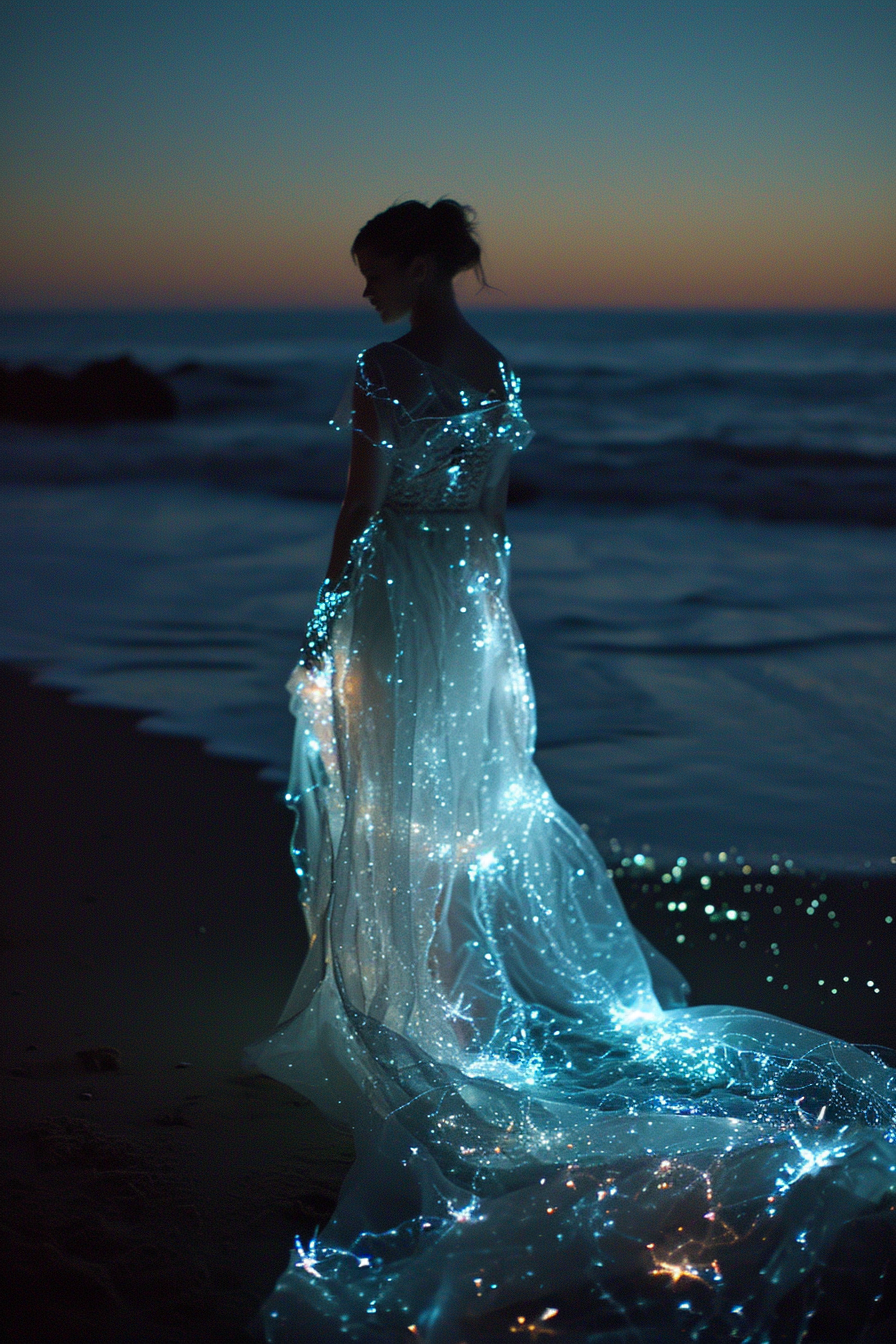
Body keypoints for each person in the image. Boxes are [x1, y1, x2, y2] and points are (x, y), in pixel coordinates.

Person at [247, 200, 896, 1343]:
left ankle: (418, 1007)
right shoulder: (497, 370)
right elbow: (495, 522)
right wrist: (491, 636)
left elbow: (359, 510)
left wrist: (317, 635)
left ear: (408, 263)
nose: (361, 293)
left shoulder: (384, 366)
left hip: (400, 595)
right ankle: (449, 994)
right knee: (460, 805)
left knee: (400, 804)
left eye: (368, 270)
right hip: (470, 607)